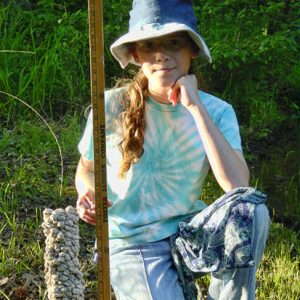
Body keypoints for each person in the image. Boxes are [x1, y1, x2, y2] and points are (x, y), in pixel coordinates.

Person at [75, 0, 270, 299]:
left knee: (251, 210)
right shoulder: (111, 106)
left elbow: (237, 188)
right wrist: (87, 193)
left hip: (189, 233)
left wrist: (195, 107)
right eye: (150, 44)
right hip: (131, 240)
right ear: (136, 53)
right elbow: (87, 169)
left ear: (191, 50)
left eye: (173, 43)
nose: (161, 54)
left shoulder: (217, 111)